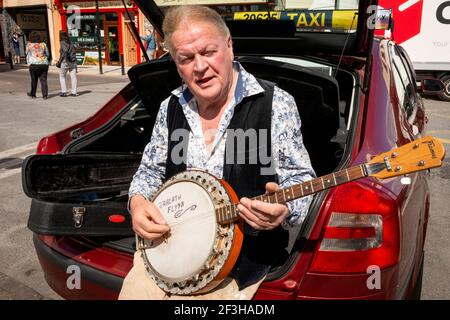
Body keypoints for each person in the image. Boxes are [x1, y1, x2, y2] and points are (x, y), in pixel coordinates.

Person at [119, 5, 315, 300]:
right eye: (186, 58)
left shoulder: (275, 104)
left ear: (229, 45)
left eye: (208, 52)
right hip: (163, 259)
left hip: (235, 274)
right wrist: (136, 203)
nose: (199, 67)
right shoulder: (170, 107)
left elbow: (301, 180)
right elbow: (150, 171)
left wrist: (285, 210)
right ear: (175, 63)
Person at [26, 32, 49, 99]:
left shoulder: (29, 45)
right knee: (43, 80)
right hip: (43, 63)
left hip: (33, 64)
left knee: (34, 80)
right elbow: (47, 54)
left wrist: (28, 62)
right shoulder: (43, 44)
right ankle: (45, 95)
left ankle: (33, 94)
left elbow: (27, 53)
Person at [57, 31, 78, 97]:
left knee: (62, 76)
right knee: (73, 77)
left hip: (65, 61)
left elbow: (64, 52)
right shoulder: (71, 42)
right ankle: (74, 92)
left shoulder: (62, 42)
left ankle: (64, 91)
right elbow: (75, 50)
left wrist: (59, 61)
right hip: (73, 61)